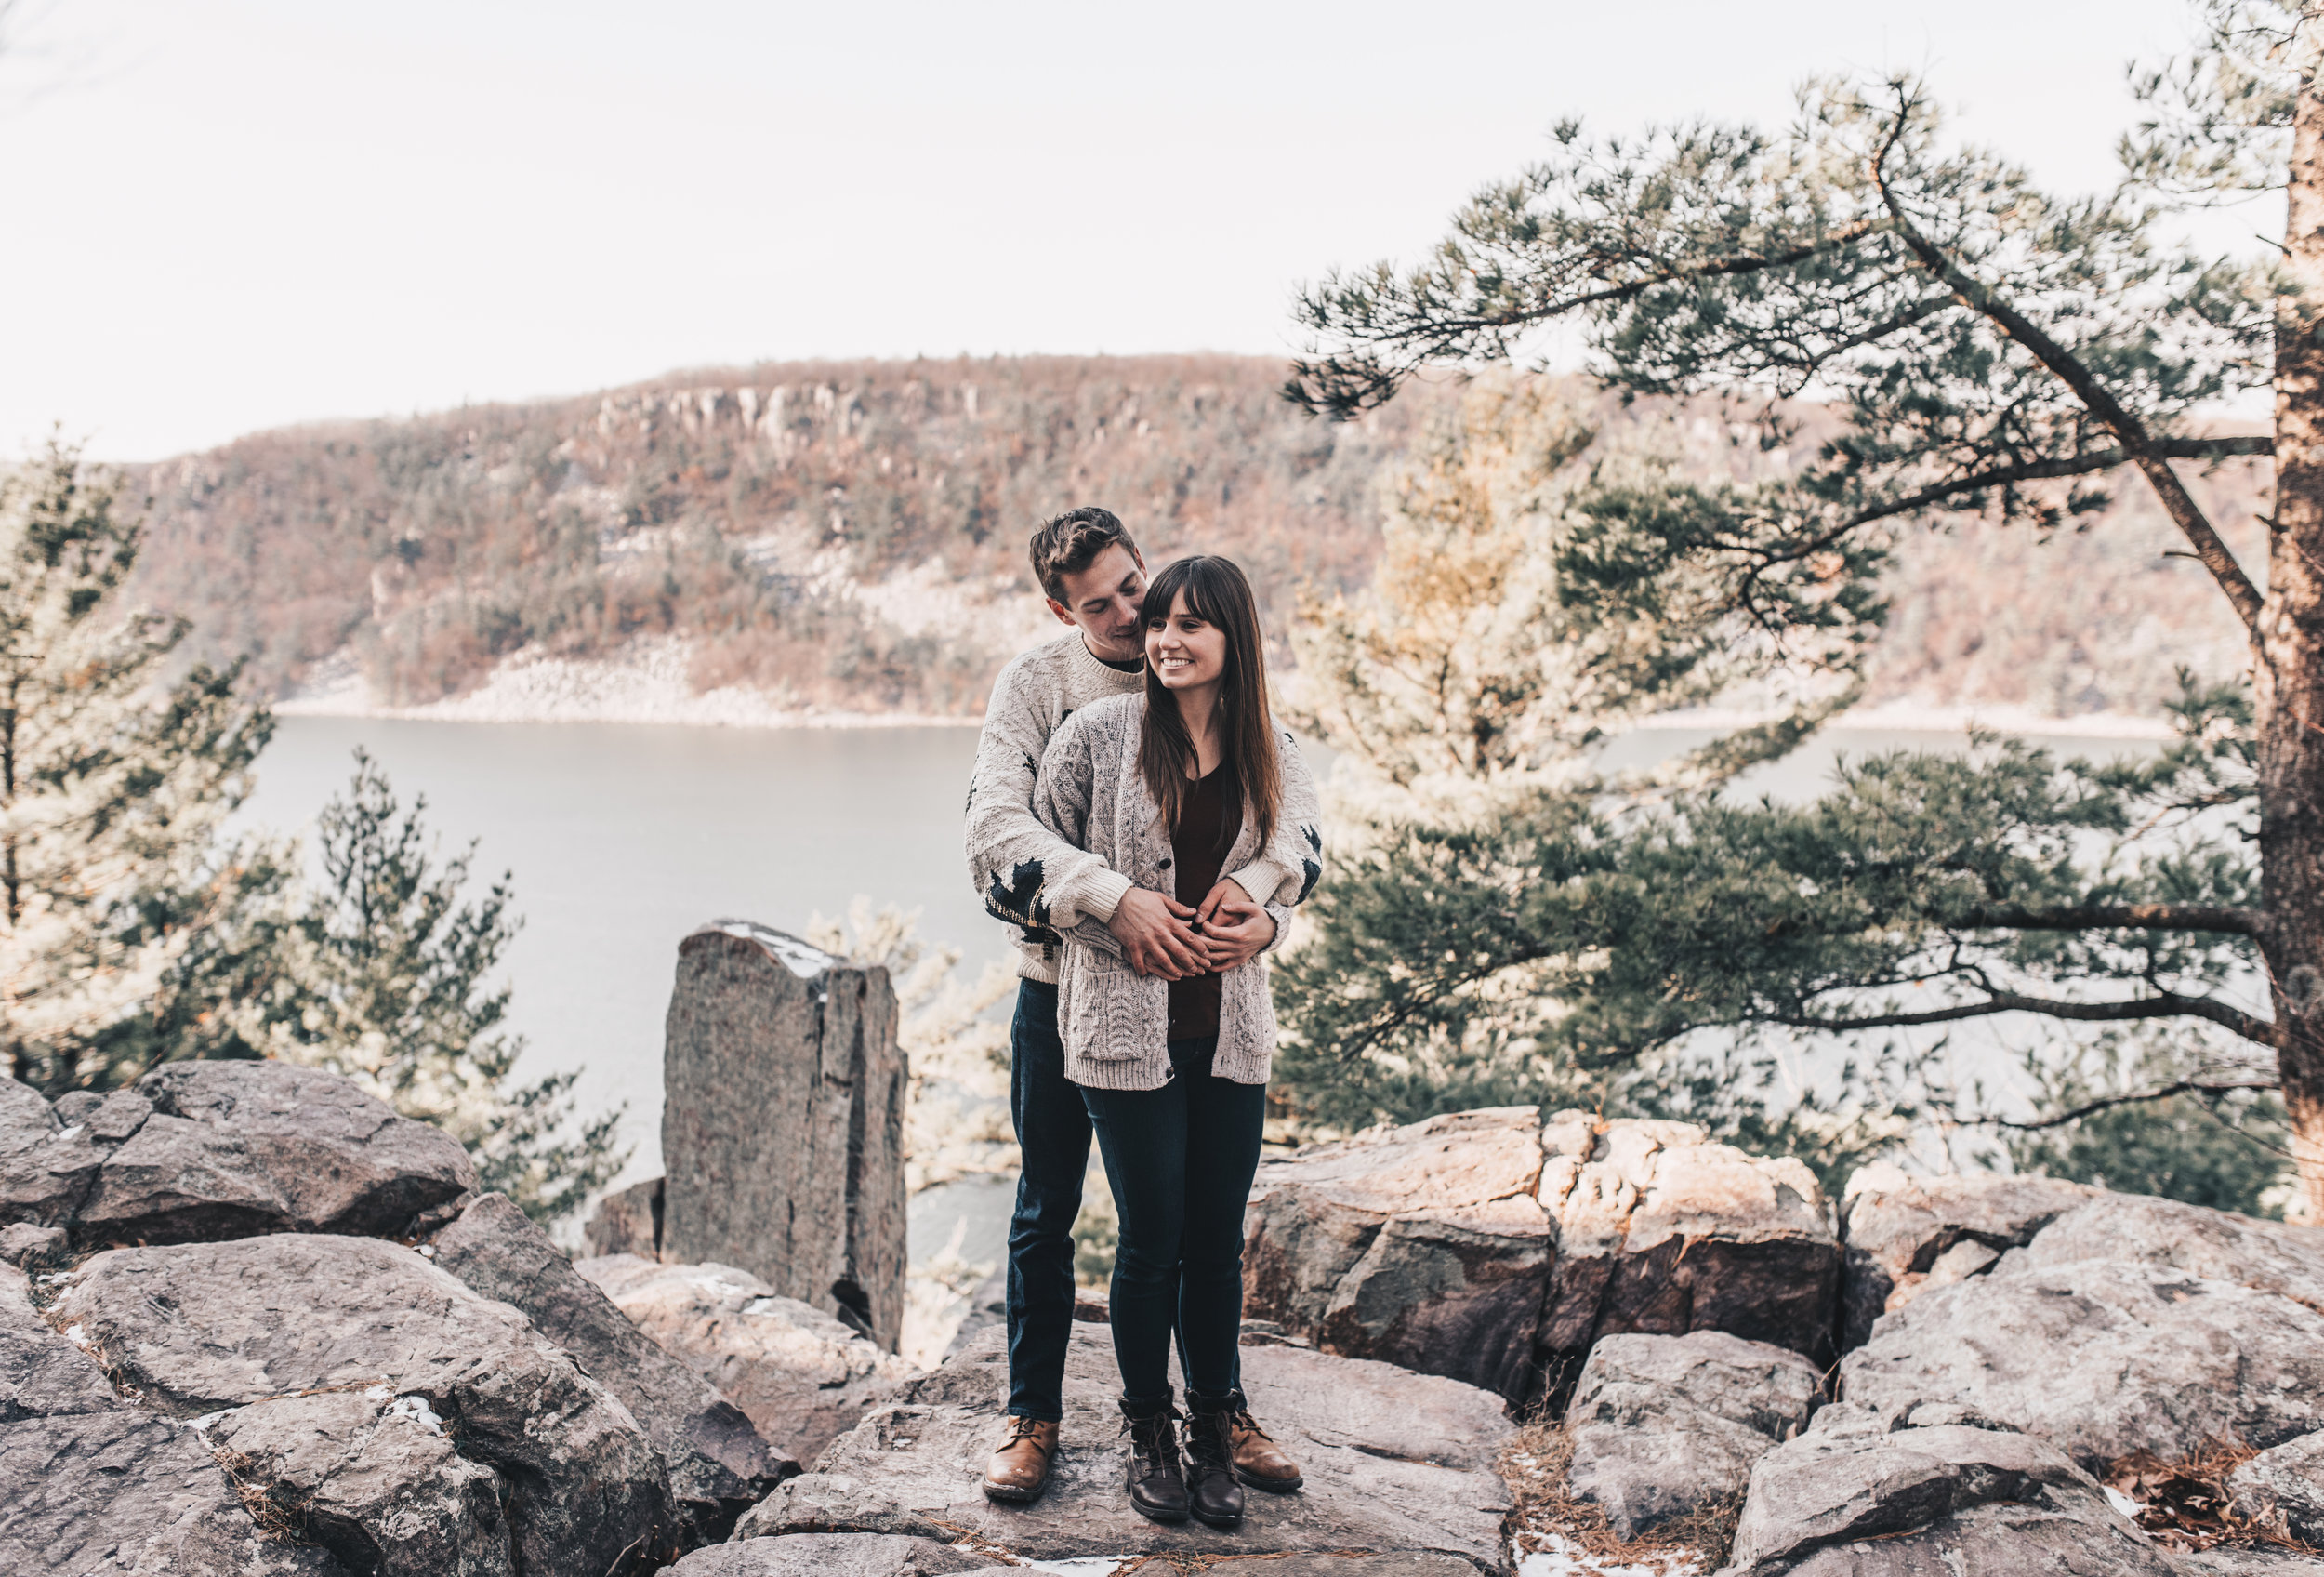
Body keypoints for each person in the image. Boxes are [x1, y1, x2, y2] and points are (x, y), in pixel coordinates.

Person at [964, 511, 1320, 1509]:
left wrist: (1266, 902)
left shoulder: (1219, 672)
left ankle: (1223, 1409)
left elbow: (1298, 821)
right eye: (1103, 603)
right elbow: (993, 834)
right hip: (1057, 994)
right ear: (1059, 609)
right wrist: (1113, 901)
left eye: (1136, 585)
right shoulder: (1043, 692)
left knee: (1193, 1228)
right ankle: (1032, 1415)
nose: (1133, 616)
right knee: (1049, 1207)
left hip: (1205, 1007)